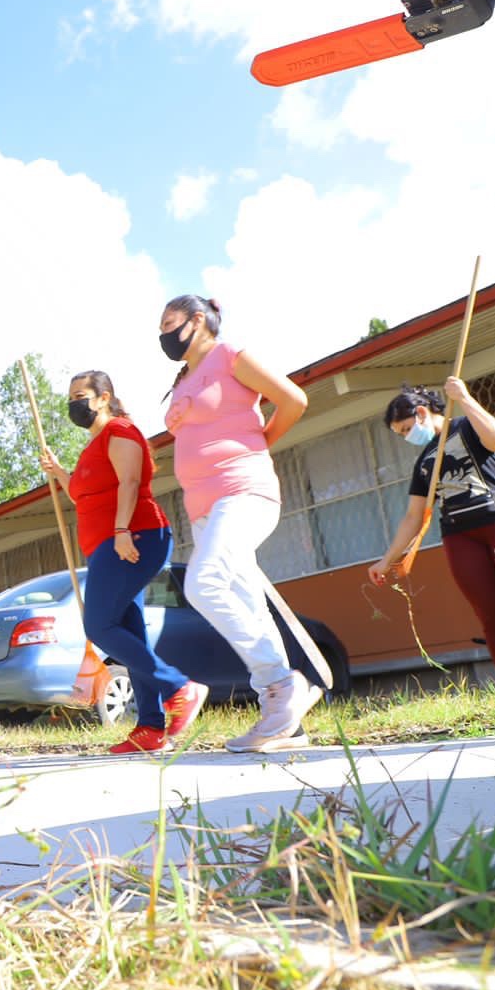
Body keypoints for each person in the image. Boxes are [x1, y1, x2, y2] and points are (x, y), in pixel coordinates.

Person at [160, 294, 320, 752]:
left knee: (203, 584)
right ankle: (285, 721)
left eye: (169, 323)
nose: (163, 335)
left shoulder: (230, 355)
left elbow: (293, 400)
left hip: (243, 494)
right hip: (204, 510)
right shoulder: (184, 379)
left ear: (196, 321)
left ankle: (282, 684)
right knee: (247, 601)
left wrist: (259, 442)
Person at [40, 371, 207, 754]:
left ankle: (178, 686)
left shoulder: (120, 431)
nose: (73, 404)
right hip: (108, 545)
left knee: (98, 625)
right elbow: (84, 496)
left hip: (134, 538)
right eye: (70, 397)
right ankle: (150, 728)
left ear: (103, 397)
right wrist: (60, 473)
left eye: (80, 395)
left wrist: (120, 531)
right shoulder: (93, 447)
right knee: (130, 636)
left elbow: (130, 483)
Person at [368, 379, 495, 687]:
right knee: (493, 619)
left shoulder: (469, 426)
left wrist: (465, 398)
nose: (406, 438)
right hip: (460, 535)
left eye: (405, 429)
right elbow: (414, 516)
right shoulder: (425, 462)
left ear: (422, 412)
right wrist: (386, 560)